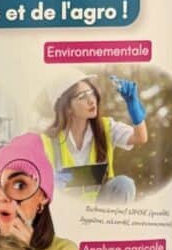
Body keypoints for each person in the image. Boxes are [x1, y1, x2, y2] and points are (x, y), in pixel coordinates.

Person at [42, 69, 148, 203]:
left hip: (100, 212)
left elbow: (140, 138)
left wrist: (134, 109)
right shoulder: (48, 141)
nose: (91, 101)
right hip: (67, 211)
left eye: (91, 93)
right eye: (82, 97)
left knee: (124, 184)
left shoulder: (107, 127)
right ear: (66, 107)